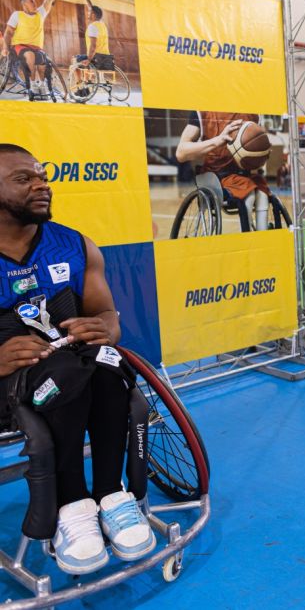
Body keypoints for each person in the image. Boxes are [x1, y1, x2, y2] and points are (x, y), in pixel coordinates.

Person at [0, 143, 155, 574]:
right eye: (23, 179)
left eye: (42, 176)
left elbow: (109, 316)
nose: (41, 185)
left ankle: (109, 496)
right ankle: (71, 503)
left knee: (108, 362)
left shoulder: (73, 244)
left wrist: (103, 327)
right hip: (9, 383)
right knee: (69, 372)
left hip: (70, 365)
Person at [175, 111, 271, 232]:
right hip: (215, 176)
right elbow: (181, 153)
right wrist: (217, 141)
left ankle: (262, 237)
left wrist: (262, 152)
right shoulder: (202, 112)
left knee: (262, 193)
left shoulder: (253, 112)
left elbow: (257, 145)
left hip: (245, 175)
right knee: (249, 194)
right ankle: (247, 237)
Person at [2, 0, 61, 97]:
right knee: (30, 55)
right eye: (31, 1)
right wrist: (5, 47)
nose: (35, 3)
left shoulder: (40, 13)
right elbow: (8, 32)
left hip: (36, 48)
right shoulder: (17, 15)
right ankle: (33, 85)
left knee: (43, 61)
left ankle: (42, 86)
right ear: (24, 5)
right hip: (20, 46)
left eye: (34, 1)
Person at [75, 0, 115, 71]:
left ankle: (80, 79)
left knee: (75, 60)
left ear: (93, 15)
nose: (88, 13)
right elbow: (92, 8)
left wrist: (89, 60)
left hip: (96, 59)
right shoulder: (102, 25)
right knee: (84, 58)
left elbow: (93, 46)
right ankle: (87, 78)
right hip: (106, 59)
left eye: (89, 12)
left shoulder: (92, 27)